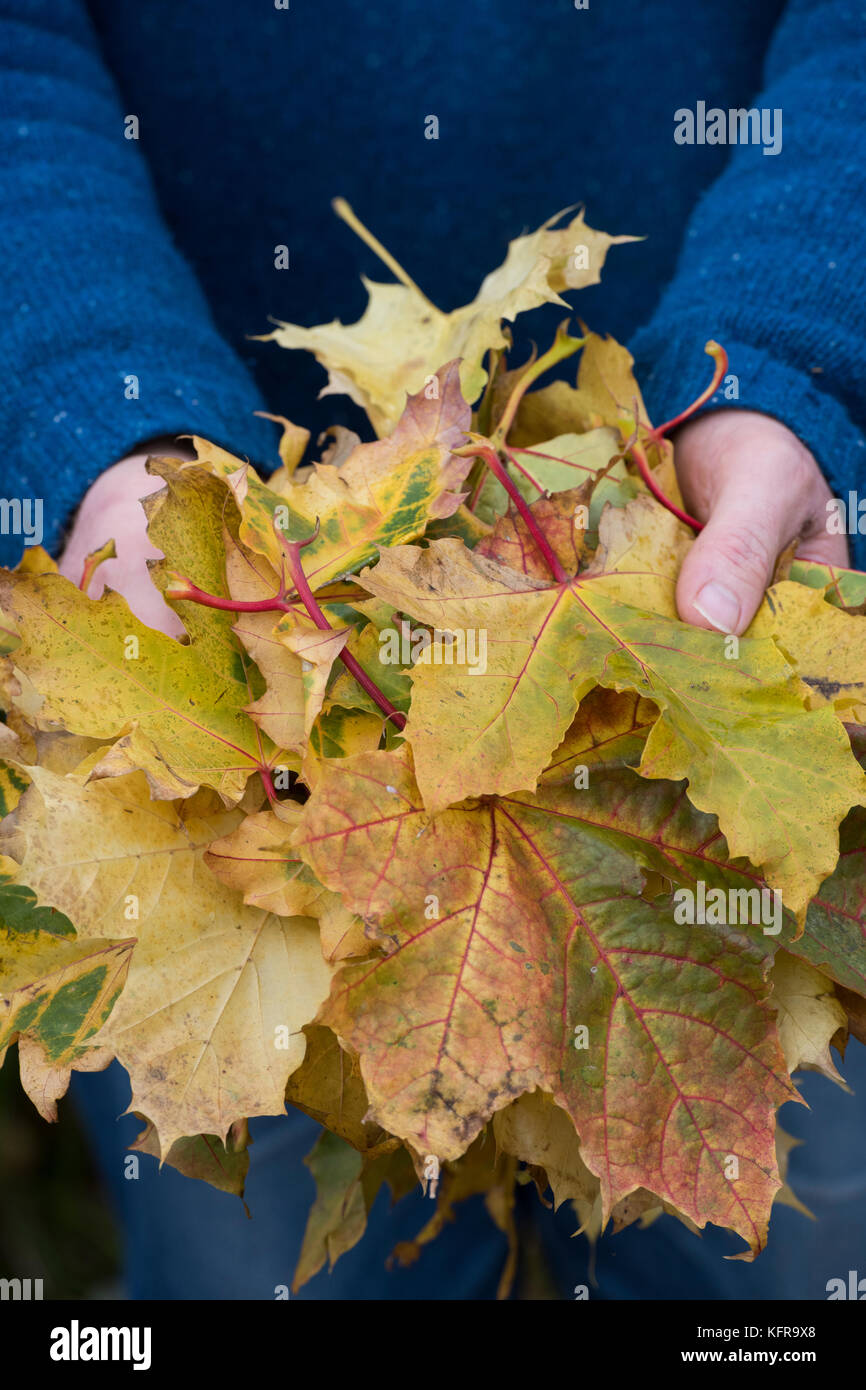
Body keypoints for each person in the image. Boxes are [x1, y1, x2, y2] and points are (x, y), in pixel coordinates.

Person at [1, 0, 864, 1299]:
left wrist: (794, 358)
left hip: (734, 649)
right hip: (244, 746)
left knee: (770, 1264)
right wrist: (102, 411)